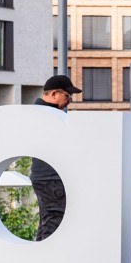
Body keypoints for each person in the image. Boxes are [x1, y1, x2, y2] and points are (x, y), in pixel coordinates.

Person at [29, 75, 82, 241]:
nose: (70, 100)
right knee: (54, 222)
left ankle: (39, 260)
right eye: (67, 96)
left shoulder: (39, 114)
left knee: (48, 220)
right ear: (53, 94)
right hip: (50, 177)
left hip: (45, 176)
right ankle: (45, 262)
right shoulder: (48, 116)